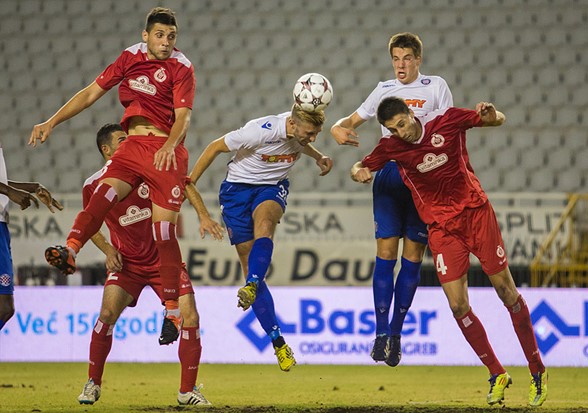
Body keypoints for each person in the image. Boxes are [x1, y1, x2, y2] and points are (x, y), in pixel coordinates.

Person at [351, 97, 548, 407]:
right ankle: (497, 373)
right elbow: (361, 164)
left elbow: (498, 120)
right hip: (442, 229)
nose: (400, 132)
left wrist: (491, 114)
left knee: (506, 292)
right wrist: (359, 170)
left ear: (411, 114)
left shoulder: (448, 120)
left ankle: (537, 370)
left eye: (402, 124)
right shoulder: (391, 147)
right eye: (392, 128)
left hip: (475, 214)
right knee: (458, 306)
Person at [28, 7, 195, 346]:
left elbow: (183, 118)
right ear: (146, 35)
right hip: (132, 146)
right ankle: (71, 249)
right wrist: (51, 122)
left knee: (164, 231)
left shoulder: (182, 67)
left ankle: (172, 310)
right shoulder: (128, 58)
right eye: (160, 35)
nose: (166, 43)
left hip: (166, 148)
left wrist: (171, 145)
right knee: (103, 195)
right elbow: (90, 93)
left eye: (171, 37)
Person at [330, 32, 453, 367]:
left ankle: (396, 334)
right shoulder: (384, 90)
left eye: (407, 58)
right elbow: (348, 122)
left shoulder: (435, 86)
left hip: (423, 179)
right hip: (389, 175)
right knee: (386, 254)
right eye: (396, 59)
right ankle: (381, 332)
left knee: (412, 257)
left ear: (418, 59)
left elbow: (445, 129)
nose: (401, 65)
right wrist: (337, 129)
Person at [185, 104, 333, 371]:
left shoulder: (299, 135)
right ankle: (278, 342)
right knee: (248, 258)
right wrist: (190, 181)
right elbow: (215, 147)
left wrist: (318, 156)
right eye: (310, 133)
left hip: (271, 188)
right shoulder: (258, 131)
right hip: (236, 191)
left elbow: (300, 145)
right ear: (293, 123)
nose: (313, 138)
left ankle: (251, 284)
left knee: (265, 223)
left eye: (316, 134)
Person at [76, 124, 213, 406]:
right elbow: (91, 222)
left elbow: (185, 184)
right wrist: (108, 248)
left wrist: (203, 215)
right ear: (107, 150)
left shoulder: (152, 167)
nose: (132, 143)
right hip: (128, 266)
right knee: (106, 315)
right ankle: (93, 383)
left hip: (164, 263)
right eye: (123, 140)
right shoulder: (93, 185)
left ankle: (187, 392)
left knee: (192, 317)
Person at [0, 145, 63, 330]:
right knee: (4, 307)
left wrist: (32, 187)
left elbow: (2, 181)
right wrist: (9, 192)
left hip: (2, 225)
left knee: (5, 308)